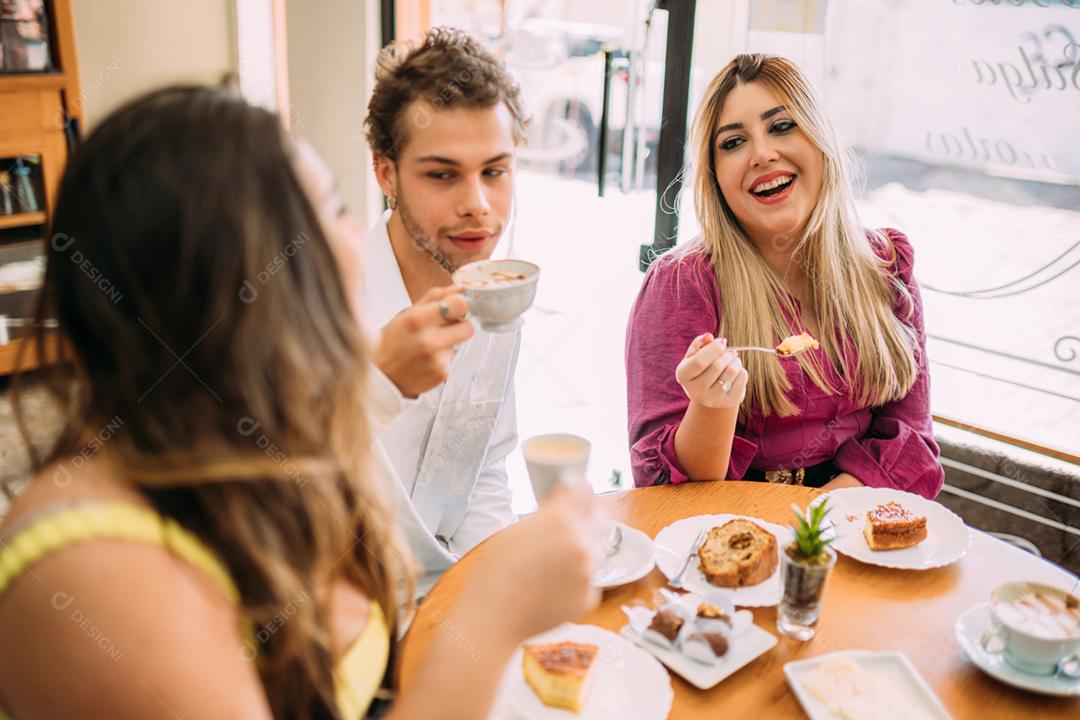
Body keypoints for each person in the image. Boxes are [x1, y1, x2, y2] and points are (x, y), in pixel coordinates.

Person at [0, 85, 604, 720]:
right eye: (315, 221)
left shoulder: (258, 435)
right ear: (216, 284)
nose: (354, 242)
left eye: (340, 208)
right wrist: (491, 619)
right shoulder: (90, 577)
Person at [625, 53, 944, 499]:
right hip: (732, 532)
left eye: (781, 126)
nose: (762, 154)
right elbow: (661, 489)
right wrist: (712, 407)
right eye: (733, 142)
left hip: (857, 518)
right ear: (714, 175)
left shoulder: (886, 263)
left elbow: (911, 437)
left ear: (819, 140)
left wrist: (821, 520)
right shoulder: (681, 284)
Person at [361, 28, 533, 594]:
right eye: (442, 174)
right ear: (385, 172)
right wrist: (377, 381)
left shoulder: (497, 294)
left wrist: (493, 594)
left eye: (495, 171)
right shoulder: (319, 307)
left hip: (452, 592)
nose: (478, 206)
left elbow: (482, 470)